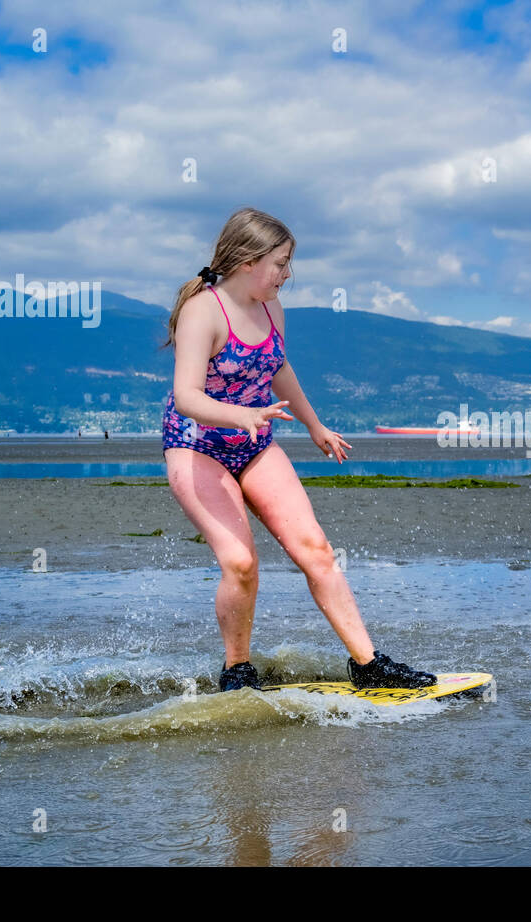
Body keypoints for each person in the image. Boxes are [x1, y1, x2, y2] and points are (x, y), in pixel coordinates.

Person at [160, 207, 436, 693]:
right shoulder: (202, 311)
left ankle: (368, 665)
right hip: (196, 444)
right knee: (241, 563)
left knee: (317, 550)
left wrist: (315, 425)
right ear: (247, 260)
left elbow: (277, 368)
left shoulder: (271, 309)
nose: (288, 274)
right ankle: (237, 670)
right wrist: (240, 414)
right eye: (282, 263)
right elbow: (187, 397)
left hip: (256, 442)